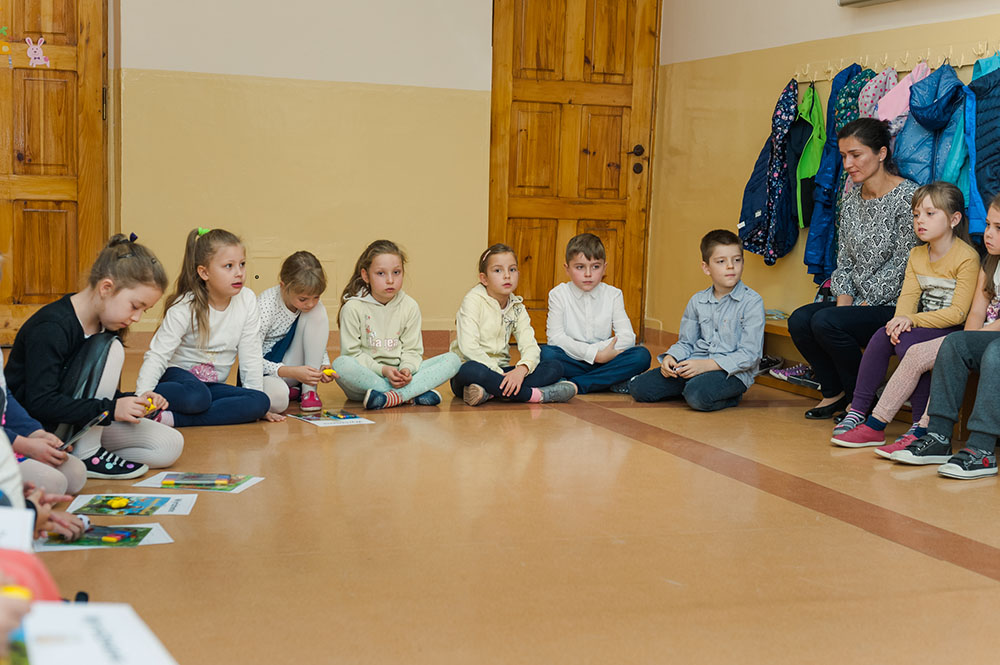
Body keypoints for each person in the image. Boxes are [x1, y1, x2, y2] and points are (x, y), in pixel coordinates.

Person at [5, 235, 183, 479]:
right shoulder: (51, 327)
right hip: (40, 428)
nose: (137, 318)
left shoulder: (107, 325)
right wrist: (111, 409)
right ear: (106, 288)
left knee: (169, 445)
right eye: (135, 306)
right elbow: (40, 402)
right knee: (112, 349)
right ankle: (87, 453)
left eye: (145, 310)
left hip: (78, 422)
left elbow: (95, 393)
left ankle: (81, 451)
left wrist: (133, 402)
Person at [788, 118, 919, 419]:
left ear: (881, 153)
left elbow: (906, 263)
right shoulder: (850, 201)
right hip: (858, 301)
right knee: (801, 320)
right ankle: (833, 392)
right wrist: (844, 306)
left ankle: (860, 400)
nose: (847, 164)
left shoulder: (908, 197)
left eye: (856, 155)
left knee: (826, 322)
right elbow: (844, 261)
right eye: (844, 156)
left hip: (895, 305)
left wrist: (857, 307)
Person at [831, 181, 979, 447]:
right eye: (916, 214)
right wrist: (898, 321)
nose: (920, 220)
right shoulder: (917, 254)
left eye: (930, 214)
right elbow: (908, 298)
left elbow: (958, 313)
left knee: (909, 344)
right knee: (882, 336)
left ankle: (918, 423)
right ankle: (858, 410)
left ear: (954, 219)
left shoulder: (967, 257)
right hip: (922, 324)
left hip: (951, 329)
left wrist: (911, 320)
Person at [885, 194, 1000, 476]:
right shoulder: (991, 264)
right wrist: (967, 344)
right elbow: (976, 313)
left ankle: (982, 450)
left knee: (995, 353)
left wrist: (978, 342)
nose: (988, 233)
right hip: (990, 336)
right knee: (955, 343)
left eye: (998, 228)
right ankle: (937, 436)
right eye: (988, 225)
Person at [135, 228, 275, 427]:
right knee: (197, 397)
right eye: (229, 266)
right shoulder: (185, 306)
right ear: (204, 272)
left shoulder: (247, 299)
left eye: (242, 264)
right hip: (178, 382)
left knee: (260, 401)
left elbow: (250, 355)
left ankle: (170, 419)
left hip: (211, 387)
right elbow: (157, 355)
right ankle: (132, 398)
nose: (239, 273)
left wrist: (257, 404)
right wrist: (142, 396)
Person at [628, 229, 764, 411]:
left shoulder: (752, 302)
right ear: (706, 268)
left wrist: (706, 366)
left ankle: (725, 395)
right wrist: (671, 357)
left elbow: (750, 355)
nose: (731, 266)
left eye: (737, 260)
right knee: (639, 388)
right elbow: (686, 342)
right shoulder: (697, 301)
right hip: (695, 365)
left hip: (732, 373)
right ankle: (689, 388)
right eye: (721, 261)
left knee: (697, 395)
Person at [332, 240, 460, 409]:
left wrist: (406, 369)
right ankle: (409, 394)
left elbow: (412, 350)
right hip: (368, 382)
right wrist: (383, 370)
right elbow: (352, 355)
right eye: (381, 273)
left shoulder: (410, 306)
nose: (390, 280)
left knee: (453, 360)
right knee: (341, 365)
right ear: (365, 275)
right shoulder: (353, 308)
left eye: (396, 272)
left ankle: (390, 397)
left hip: (401, 377)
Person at [449, 244, 574, 406]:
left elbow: (530, 346)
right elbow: (469, 348)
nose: (507, 276)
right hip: (472, 371)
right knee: (471, 370)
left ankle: (490, 392)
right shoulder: (472, 301)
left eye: (512, 269)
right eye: (498, 270)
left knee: (554, 367)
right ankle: (534, 395)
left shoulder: (517, 307)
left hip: (502, 371)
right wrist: (498, 375)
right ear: (484, 279)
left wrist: (521, 370)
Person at [539, 233, 651, 393]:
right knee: (547, 354)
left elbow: (628, 337)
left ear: (604, 267)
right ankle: (608, 380)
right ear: (567, 269)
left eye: (595, 267)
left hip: (607, 359)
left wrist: (601, 354)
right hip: (574, 358)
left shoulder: (613, 294)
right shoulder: (558, 294)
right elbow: (555, 338)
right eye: (580, 267)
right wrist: (594, 355)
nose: (588, 274)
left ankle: (575, 384)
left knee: (641, 356)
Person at [257, 251, 335, 414]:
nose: (310, 303)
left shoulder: (311, 306)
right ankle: (289, 389)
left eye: (316, 297)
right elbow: (250, 358)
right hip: (266, 372)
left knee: (318, 311)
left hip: (295, 368)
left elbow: (313, 339)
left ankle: (308, 391)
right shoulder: (265, 305)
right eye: (303, 299)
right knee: (278, 400)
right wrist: (290, 372)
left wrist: (322, 365)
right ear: (283, 286)